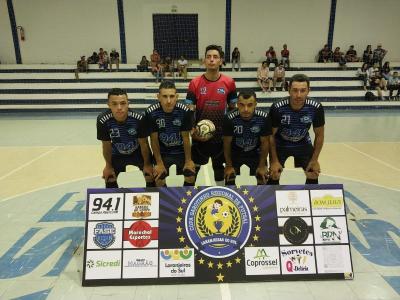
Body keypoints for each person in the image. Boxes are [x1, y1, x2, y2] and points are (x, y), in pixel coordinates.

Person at [185, 44, 237, 186]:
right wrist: (192, 130)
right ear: (204, 61)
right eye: (208, 57)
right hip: (199, 137)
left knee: (219, 169)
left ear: (221, 61)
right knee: (191, 172)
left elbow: (233, 110)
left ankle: (221, 195)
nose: (212, 60)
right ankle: (187, 201)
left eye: (215, 57)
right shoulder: (195, 83)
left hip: (220, 137)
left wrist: (230, 133)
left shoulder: (229, 82)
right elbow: (189, 109)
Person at [268, 74, 325, 185]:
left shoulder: (316, 107)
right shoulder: (277, 108)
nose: (298, 95)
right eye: (295, 90)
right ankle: (271, 202)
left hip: (302, 142)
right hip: (280, 143)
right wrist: (274, 160)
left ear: (309, 91)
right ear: (288, 90)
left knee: (312, 172)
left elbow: (320, 135)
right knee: (274, 173)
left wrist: (314, 160)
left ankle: (309, 201)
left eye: (303, 90)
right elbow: (270, 135)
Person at [96, 88, 154, 188]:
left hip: (138, 153)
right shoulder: (102, 120)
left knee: (150, 175)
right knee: (109, 177)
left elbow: (144, 144)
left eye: (123, 103)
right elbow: (106, 145)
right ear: (108, 105)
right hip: (117, 153)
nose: (119, 107)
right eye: (114, 104)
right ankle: (114, 201)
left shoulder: (139, 118)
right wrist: (108, 166)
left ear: (128, 103)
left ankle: (153, 201)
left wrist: (147, 164)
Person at [145, 80, 195, 187]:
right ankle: (164, 202)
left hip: (180, 151)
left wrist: (188, 160)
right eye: (165, 96)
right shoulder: (151, 113)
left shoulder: (184, 111)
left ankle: (186, 201)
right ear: (158, 97)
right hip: (162, 152)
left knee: (190, 176)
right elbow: (153, 140)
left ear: (176, 97)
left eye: (172, 96)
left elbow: (186, 138)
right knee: (159, 178)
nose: (169, 101)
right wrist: (159, 163)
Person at [223, 91, 271, 186]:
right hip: (235, 152)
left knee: (262, 178)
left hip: (255, 152)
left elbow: (265, 143)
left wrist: (262, 166)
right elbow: (226, 143)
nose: (245, 109)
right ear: (237, 104)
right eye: (241, 105)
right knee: (229, 177)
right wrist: (228, 165)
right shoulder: (229, 118)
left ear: (255, 104)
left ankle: (262, 200)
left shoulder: (264, 118)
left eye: (250, 105)